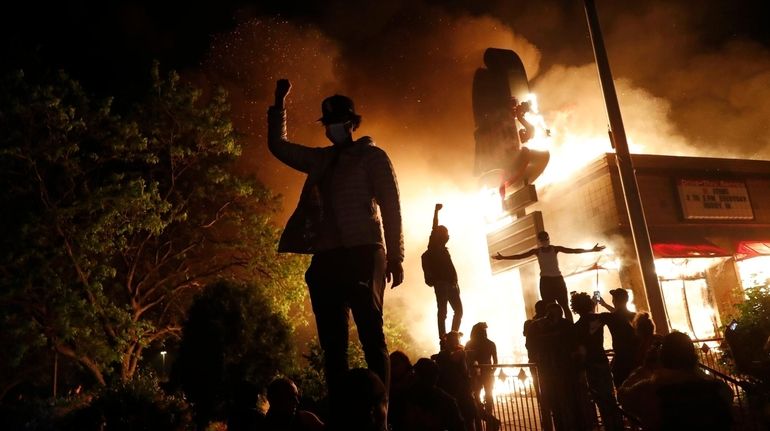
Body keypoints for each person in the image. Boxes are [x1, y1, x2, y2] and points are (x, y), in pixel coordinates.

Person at [268, 79, 404, 424]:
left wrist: (396, 256)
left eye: (336, 122)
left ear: (351, 122)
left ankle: (381, 415)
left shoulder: (373, 157)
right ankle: (344, 416)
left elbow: (391, 205)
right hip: (328, 258)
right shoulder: (320, 159)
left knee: (372, 334)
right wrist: (279, 104)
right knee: (333, 345)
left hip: (364, 252)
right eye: (327, 124)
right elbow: (279, 145)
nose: (331, 128)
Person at [618, 331, 733, 431]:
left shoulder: (649, 391)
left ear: (662, 358)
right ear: (693, 357)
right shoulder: (719, 389)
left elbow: (622, 395)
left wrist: (645, 368)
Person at [492, 231, 605, 323]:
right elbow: (520, 256)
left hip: (557, 279)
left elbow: (574, 251)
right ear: (539, 241)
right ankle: (554, 326)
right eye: (543, 240)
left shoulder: (555, 249)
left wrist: (591, 250)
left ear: (548, 239)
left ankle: (570, 326)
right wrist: (504, 257)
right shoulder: (537, 251)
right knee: (550, 307)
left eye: (547, 239)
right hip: (546, 281)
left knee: (564, 305)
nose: (545, 241)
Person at [570, 292, 623, 431]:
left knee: (600, 398)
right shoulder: (600, 318)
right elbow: (618, 314)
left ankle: (609, 425)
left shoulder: (576, 327)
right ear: (590, 304)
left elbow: (580, 350)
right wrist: (603, 304)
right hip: (602, 361)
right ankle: (617, 425)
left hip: (590, 365)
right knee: (610, 397)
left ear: (575, 308)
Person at [422, 203, 463, 341]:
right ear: (440, 235)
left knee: (458, 311)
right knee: (443, 312)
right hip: (442, 283)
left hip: (451, 283)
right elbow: (434, 227)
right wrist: (436, 212)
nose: (448, 236)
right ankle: (443, 338)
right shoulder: (434, 245)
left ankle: (452, 336)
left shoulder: (443, 250)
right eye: (446, 233)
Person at [597, 288, 640, 388]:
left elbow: (615, 314)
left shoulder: (610, 317)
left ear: (614, 301)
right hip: (636, 358)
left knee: (622, 388)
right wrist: (604, 304)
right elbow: (619, 314)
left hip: (621, 360)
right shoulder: (635, 316)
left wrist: (594, 305)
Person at [465, 322, 501, 431]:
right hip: (487, 374)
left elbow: (466, 360)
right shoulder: (490, 343)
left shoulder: (470, 343)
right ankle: (489, 421)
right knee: (488, 397)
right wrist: (491, 371)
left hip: (475, 375)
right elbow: (495, 361)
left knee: (476, 397)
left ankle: (483, 420)